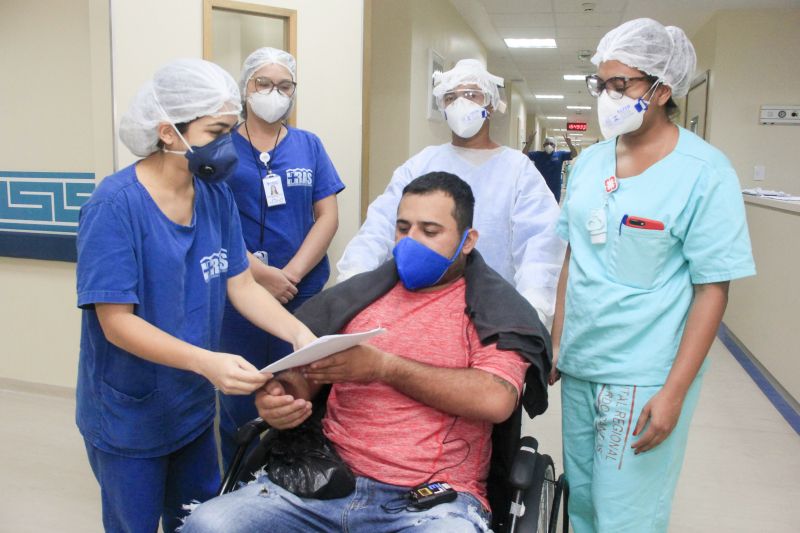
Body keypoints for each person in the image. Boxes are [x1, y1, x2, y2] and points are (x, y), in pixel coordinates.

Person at [181, 172, 551, 533]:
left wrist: (384, 367)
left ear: (468, 240)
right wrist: (284, 397)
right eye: (403, 228)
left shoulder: (492, 311)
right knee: (208, 523)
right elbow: (307, 373)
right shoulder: (360, 297)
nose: (411, 241)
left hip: (430, 500)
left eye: (430, 231)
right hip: (325, 481)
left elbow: (495, 399)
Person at [75, 58, 316, 533]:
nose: (227, 143)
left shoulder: (213, 194)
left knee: (199, 521)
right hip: (130, 412)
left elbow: (241, 283)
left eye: (231, 129)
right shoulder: (114, 206)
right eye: (216, 130)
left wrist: (300, 333)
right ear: (169, 133)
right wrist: (207, 362)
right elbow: (116, 322)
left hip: (191, 406)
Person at [549, 19, 755, 533]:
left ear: (662, 90)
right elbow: (574, 257)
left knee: (627, 517)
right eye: (602, 85)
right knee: (584, 505)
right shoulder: (591, 163)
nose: (607, 97)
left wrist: (675, 392)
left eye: (622, 85)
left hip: (644, 374)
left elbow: (713, 289)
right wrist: (558, 344)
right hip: (582, 364)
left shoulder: (704, 172)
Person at [336, 59, 564, 327]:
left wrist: (531, 318)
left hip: (495, 313)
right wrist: (349, 289)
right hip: (421, 306)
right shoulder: (421, 164)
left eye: (471, 95)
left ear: (489, 103)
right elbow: (379, 229)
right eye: (451, 97)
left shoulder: (517, 169)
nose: (460, 103)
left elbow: (540, 248)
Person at [217, 47, 345, 468]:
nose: (274, 92)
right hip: (242, 294)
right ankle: (241, 477)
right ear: (245, 87)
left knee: (298, 389)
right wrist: (262, 274)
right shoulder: (221, 148)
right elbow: (215, 222)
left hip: (302, 291)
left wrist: (289, 273)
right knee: (244, 389)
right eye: (263, 83)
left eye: (284, 85)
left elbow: (327, 215)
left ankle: (293, 476)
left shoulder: (309, 145)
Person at [522, 134, 577, 203]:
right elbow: (524, 154)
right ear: (543, 145)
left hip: (555, 188)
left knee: (555, 206)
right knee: (541, 207)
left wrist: (569, 144)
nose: (549, 145)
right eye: (547, 143)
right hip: (541, 188)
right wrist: (529, 142)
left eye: (551, 144)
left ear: (554, 146)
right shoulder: (538, 155)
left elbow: (574, 154)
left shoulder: (560, 155)